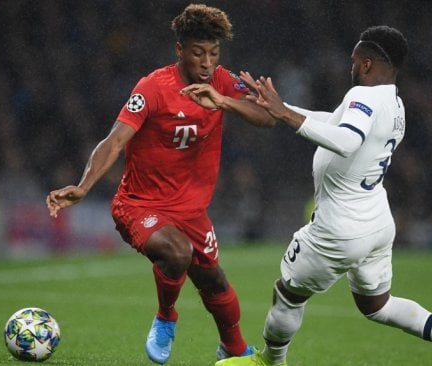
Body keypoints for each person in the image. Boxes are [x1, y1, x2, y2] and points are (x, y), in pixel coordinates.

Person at [215, 26, 432, 366]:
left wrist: (283, 113)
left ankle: (269, 361)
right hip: (375, 222)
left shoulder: (363, 97)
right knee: (378, 305)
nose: (351, 66)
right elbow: (333, 122)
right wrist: (279, 106)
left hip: (340, 227)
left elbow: (345, 141)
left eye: (354, 60)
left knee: (287, 294)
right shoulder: (394, 102)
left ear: (368, 63)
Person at [46, 4, 275, 365]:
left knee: (214, 281)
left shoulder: (222, 81)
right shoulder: (153, 88)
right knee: (177, 252)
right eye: (198, 52)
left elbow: (267, 116)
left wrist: (225, 102)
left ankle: (234, 350)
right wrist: (84, 185)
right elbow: (115, 140)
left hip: (192, 211)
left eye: (214, 53)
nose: (207, 62)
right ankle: (166, 317)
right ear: (180, 50)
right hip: (139, 204)